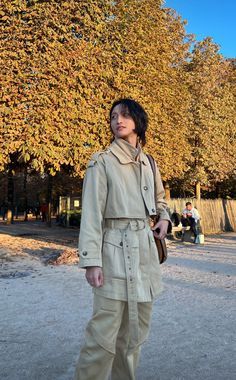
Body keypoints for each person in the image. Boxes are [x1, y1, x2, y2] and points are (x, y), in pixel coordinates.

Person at [74, 98, 171, 380]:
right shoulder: (101, 162)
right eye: (114, 116)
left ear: (138, 121)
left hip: (145, 254)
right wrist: (91, 261)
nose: (118, 120)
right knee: (102, 338)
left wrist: (163, 217)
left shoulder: (150, 163)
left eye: (126, 115)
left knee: (135, 335)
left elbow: (161, 200)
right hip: (113, 253)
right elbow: (91, 215)